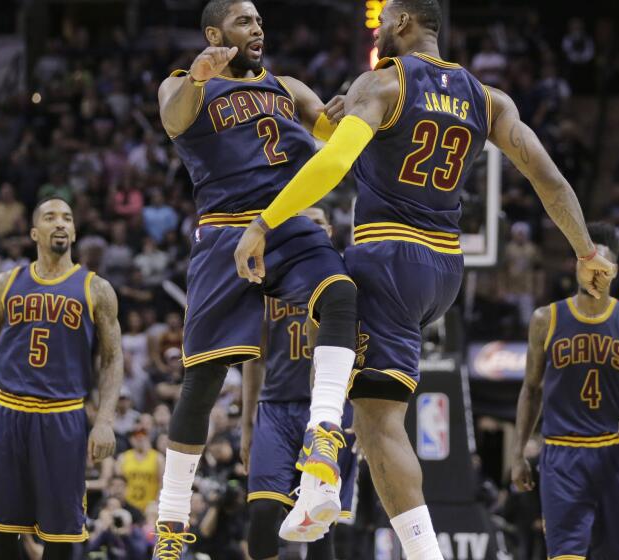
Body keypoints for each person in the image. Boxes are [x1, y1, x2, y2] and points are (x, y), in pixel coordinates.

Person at [233, 1, 616, 557]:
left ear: (405, 21)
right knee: (367, 396)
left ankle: (330, 480)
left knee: (365, 392)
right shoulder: (488, 99)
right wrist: (584, 250)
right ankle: (330, 482)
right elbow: (548, 177)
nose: (382, 28)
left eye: (386, 18)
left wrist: (264, 222)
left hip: (386, 256)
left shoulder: (385, 81)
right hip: (443, 270)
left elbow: (334, 163)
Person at [152, 1, 359, 556]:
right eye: (246, 21)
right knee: (202, 382)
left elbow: (336, 132)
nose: (258, 28)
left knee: (341, 295)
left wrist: (352, 109)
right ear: (216, 33)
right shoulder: (183, 83)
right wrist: (198, 75)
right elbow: (173, 119)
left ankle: (323, 431)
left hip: (284, 222)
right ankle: (171, 522)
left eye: (261, 21)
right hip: (224, 231)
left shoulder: (287, 85)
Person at [0, 197, 124, 560]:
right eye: (50, 217)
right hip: (8, 414)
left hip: (63, 416)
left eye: (67, 218)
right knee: (2, 531)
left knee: (62, 533)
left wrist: (105, 420)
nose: (61, 223)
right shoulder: (5, 283)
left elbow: (112, 358)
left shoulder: (96, 288)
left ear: (75, 231)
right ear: (35, 232)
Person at [511, 223, 619, 560]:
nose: (593, 272)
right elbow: (531, 389)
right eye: (586, 263)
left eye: (601, 266)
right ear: (576, 265)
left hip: (614, 452)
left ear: (614, 271)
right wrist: (518, 451)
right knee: (564, 555)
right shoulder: (545, 319)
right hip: (562, 456)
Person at [242, 209, 358, 559]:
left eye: (316, 222)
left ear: (329, 230)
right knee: (261, 514)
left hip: (329, 415)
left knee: (321, 529)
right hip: (275, 407)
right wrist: (247, 422)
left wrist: (366, 416)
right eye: (300, 221)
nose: (308, 228)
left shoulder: (347, 280)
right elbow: (255, 357)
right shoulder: (270, 280)